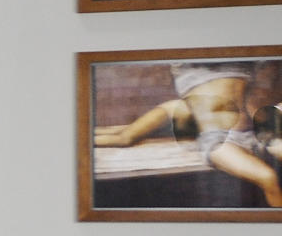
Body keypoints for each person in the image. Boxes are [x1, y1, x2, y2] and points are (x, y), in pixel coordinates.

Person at [93, 61, 282, 208]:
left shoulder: (178, 108)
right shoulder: (173, 107)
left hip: (252, 128)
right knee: (268, 177)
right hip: (220, 139)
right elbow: (125, 137)